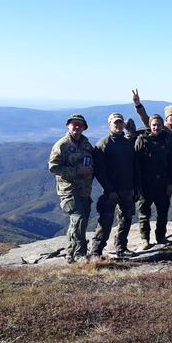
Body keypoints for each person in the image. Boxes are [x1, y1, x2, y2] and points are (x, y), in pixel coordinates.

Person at [132, 89, 172, 232]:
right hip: (162, 173)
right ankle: (156, 234)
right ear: (166, 118)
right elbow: (146, 119)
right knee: (163, 205)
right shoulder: (161, 130)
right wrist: (138, 105)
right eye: (171, 115)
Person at [89, 113, 141, 259]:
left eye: (120, 123)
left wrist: (137, 186)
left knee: (126, 219)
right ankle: (96, 251)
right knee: (105, 220)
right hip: (110, 191)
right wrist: (109, 190)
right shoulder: (102, 144)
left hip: (128, 188)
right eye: (115, 123)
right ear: (109, 124)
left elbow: (135, 166)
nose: (118, 125)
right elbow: (100, 171)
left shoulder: (128, 143)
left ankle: (121, 248)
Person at [48, 114, 94, 263]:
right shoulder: (62, 145)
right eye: (74, 125)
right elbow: (53, 167)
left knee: (80, 222)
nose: (77, 128)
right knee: (78, 218)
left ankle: (70, 253)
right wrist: (76, 171)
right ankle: (80, 254)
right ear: (68, 125)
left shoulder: (86, 144)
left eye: (80, 126)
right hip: (68, 189)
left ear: (84, 128)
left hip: (85, 189)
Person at [134, 113, 172, 249]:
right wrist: (137, 185)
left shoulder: (166, 139)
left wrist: (170, 183)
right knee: (144, 212)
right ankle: (145, 239)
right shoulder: (142, 140)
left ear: (162, 126)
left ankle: (161, 237)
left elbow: (171, 162)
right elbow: (136, 164)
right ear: (150, 126)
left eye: (158, 125)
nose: (156, 127)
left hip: (162, 182)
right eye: (154, 125)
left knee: (162, 211)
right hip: (146, 183)